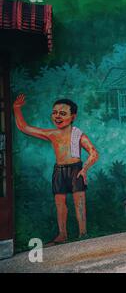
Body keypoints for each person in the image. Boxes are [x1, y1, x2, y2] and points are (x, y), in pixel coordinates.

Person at [13, 94, 99, 244]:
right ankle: (62, 234)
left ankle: (83, 233)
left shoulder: (78, 135)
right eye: (55, 112)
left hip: (76, 169)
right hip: (59, 170)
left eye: (63, 113)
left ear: (73, 116)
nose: (57, 116)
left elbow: (94, 153)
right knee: (60, 203)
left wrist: (84, 169)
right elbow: (24, 128)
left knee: (79, 202)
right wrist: (16, 109)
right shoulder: (52, 134)